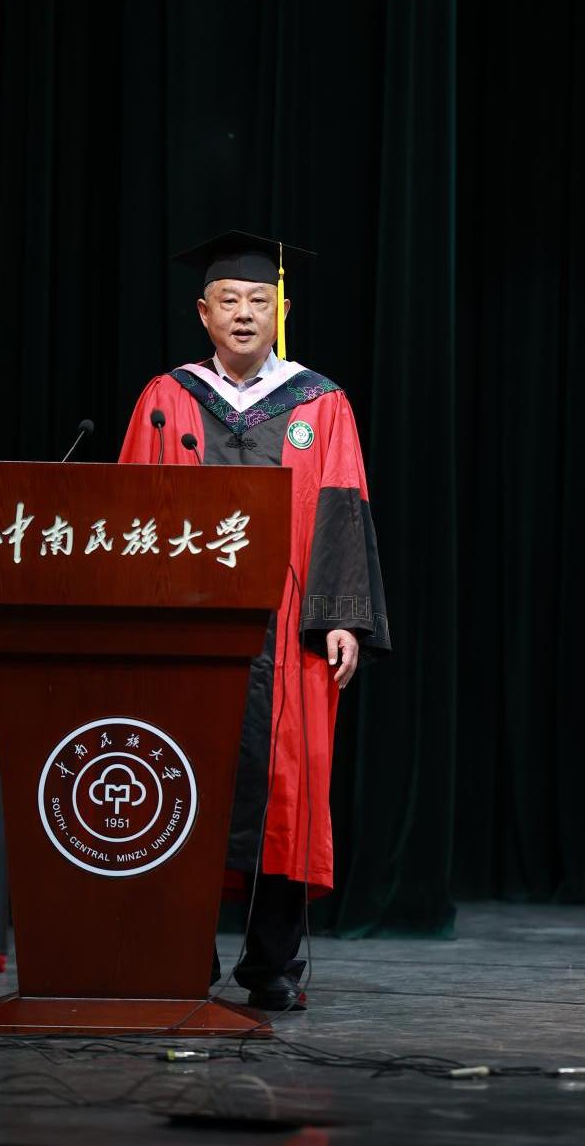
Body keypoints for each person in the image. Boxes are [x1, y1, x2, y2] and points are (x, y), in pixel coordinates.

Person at [119, 231, 390, 1011]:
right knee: (187, 781)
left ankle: (273, 966)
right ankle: (183, 953)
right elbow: (133, 507)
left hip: (288, 629)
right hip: (187, 633)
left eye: (259, 301)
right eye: (229, 300)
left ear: (283, 311)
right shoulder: (167, 398)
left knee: (288, 791)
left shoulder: (320, 402)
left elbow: (342, 507)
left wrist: (342, 619)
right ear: (203, 314)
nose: (244, 313)